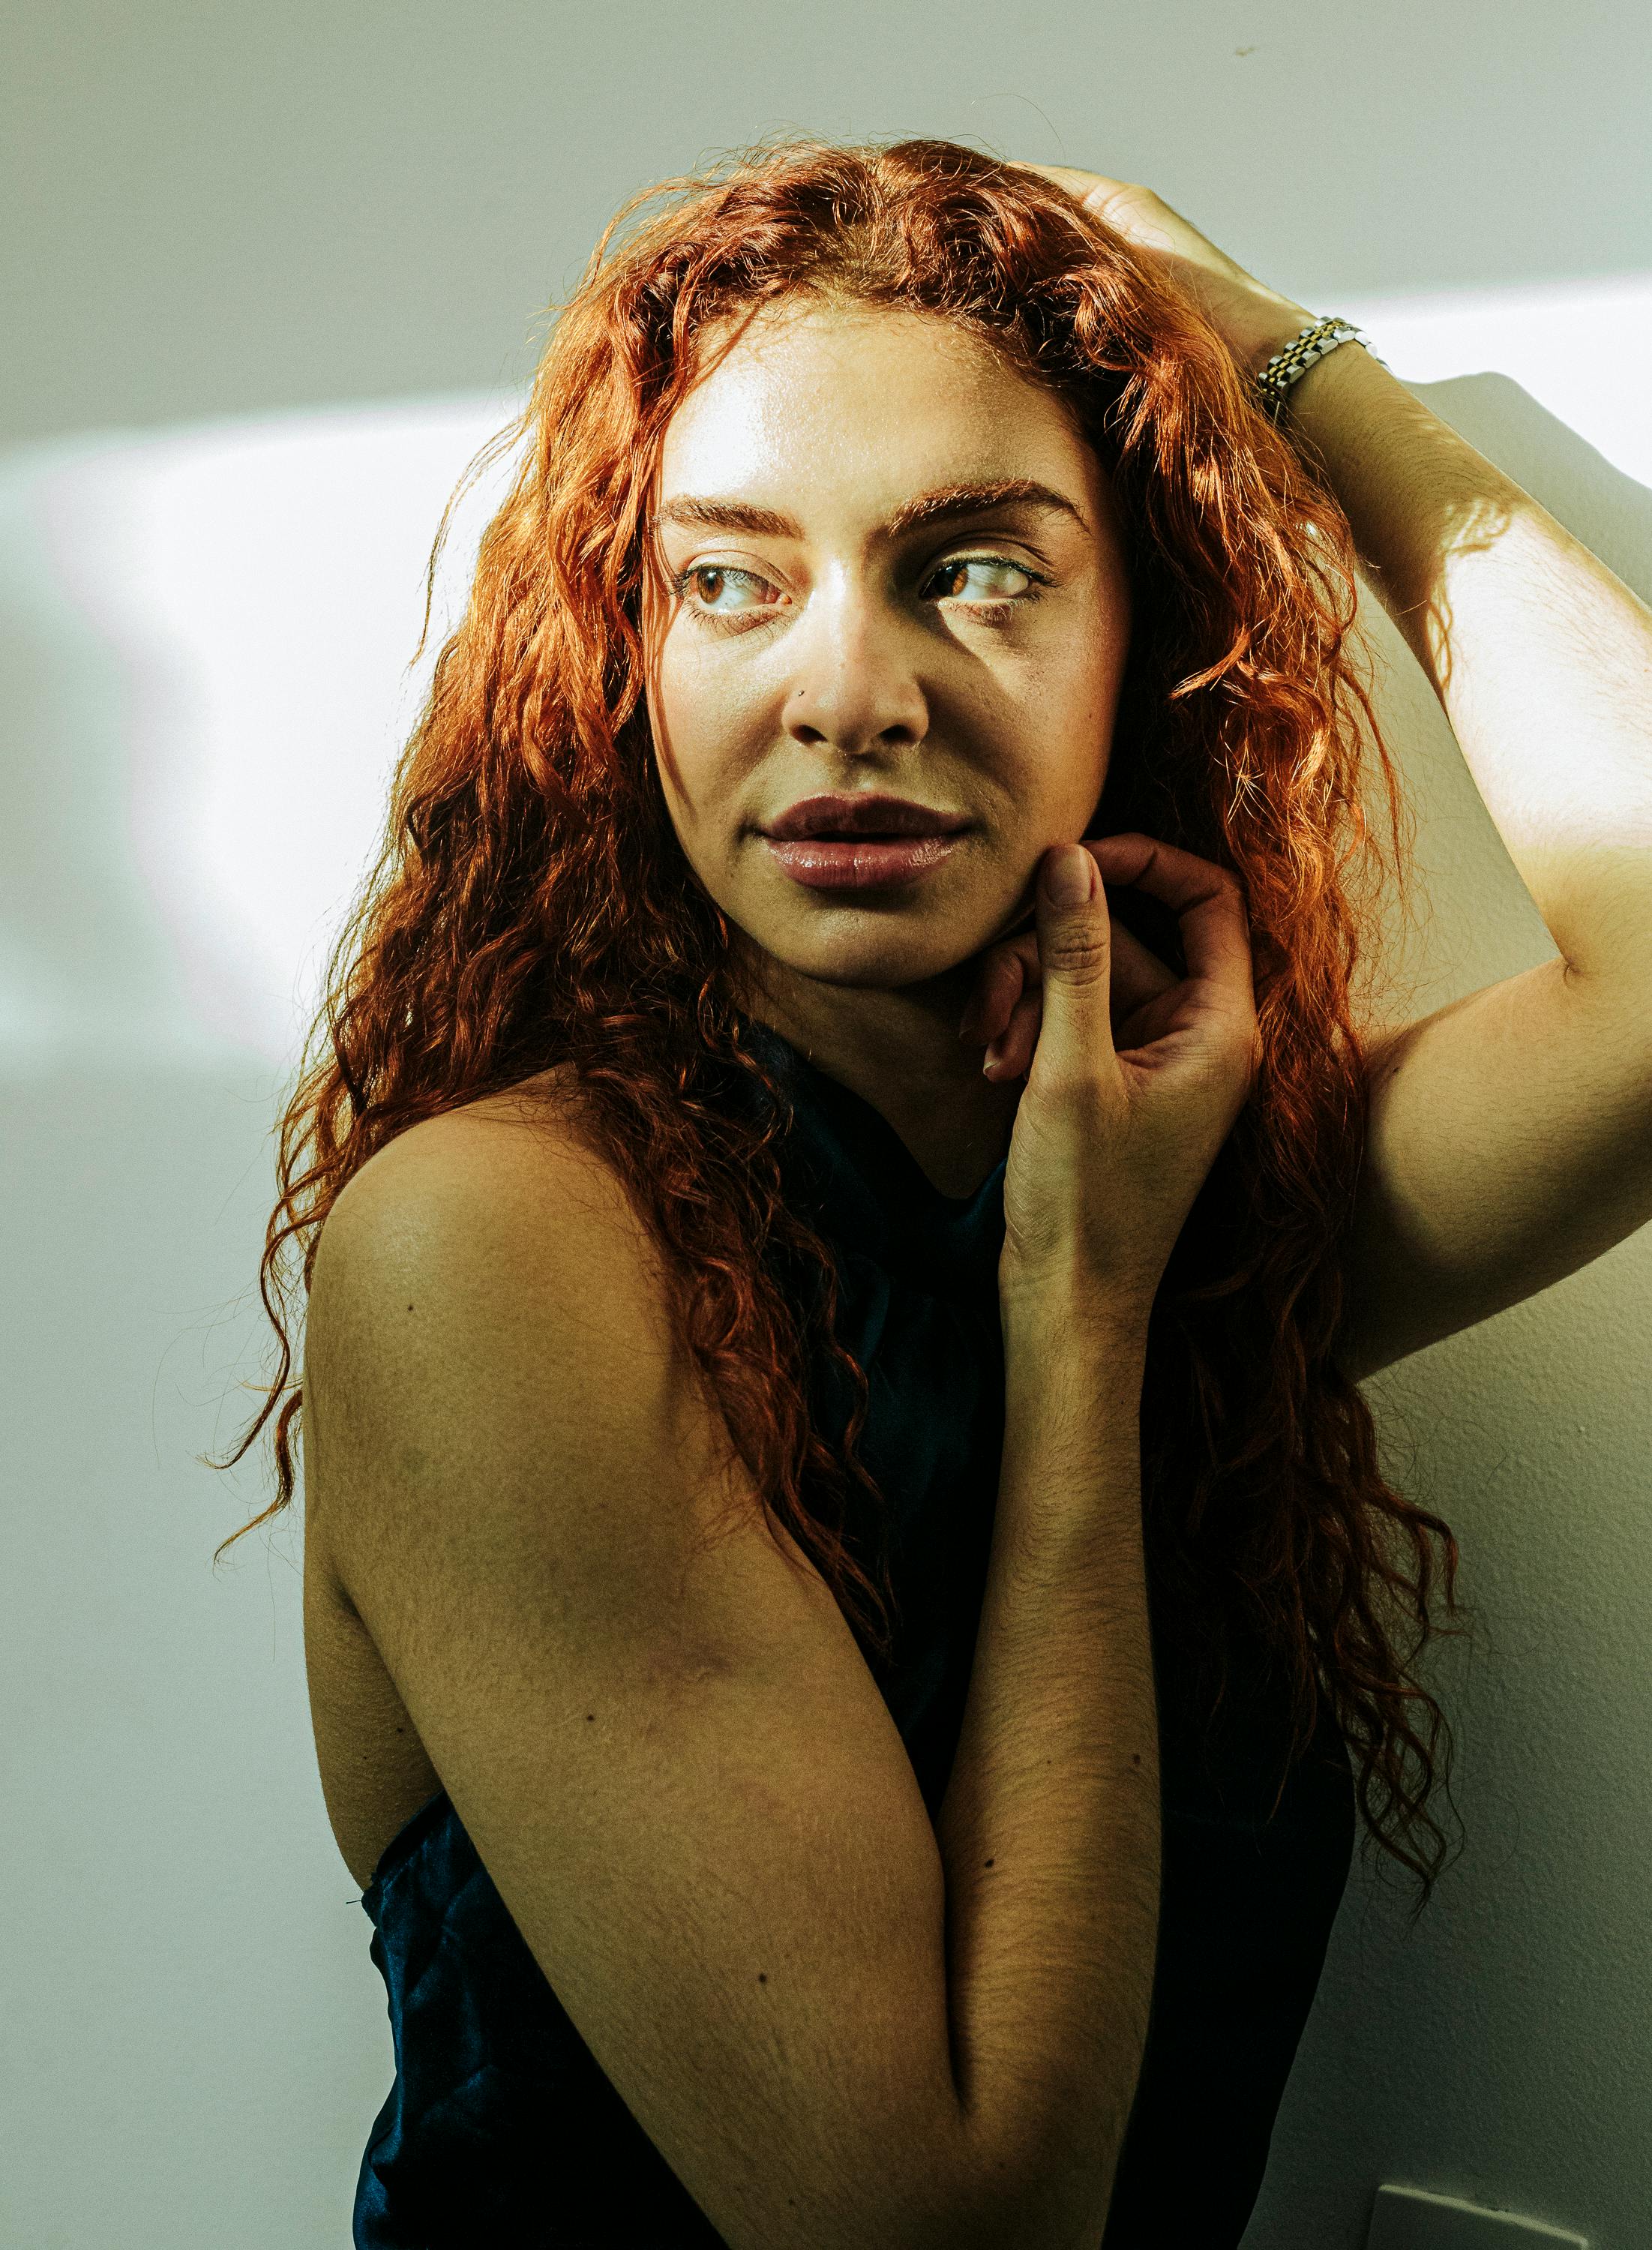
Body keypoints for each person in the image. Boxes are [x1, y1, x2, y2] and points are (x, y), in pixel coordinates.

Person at [220, 138, 1652, 2248]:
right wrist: (1077, 1322)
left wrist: (1276, 360)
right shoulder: (498, 1243)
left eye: (977, 567)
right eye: (729, 580)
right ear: (625, 657)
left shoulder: (1161, 1182)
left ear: (1141, 635)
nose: (849, 695)